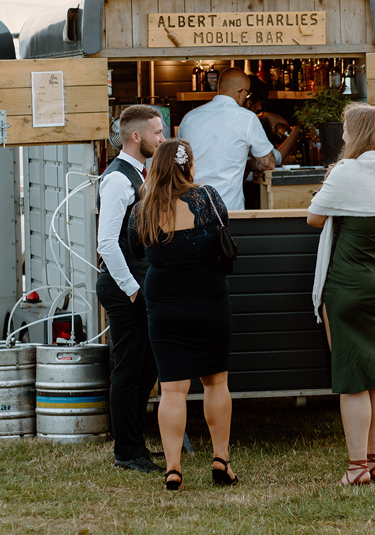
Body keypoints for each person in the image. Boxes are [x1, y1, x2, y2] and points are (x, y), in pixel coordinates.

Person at [306, 102, 375, 486]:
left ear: (356, 133)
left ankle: (356, 469)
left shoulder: (346, 172)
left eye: (345, 129)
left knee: (354, 377)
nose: (343, 136)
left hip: (349, 284)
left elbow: (314, 217)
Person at [129, 138, 238, 491]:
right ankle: (221, 459)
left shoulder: (142, 208)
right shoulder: (207, 198)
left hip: (164, 303)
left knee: (172, 389)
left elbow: (133, 247)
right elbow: (224, 231)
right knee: (216, 382)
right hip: (209, 297)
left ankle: (173, 468)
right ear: (188, 165)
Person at [95, 105, 164, 473]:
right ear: (136, 137)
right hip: (125, 288)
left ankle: (137, 444)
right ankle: (127, 451)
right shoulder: (119, 179)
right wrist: (133, 290)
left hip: (137, 286)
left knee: (145, 370)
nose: (162, 138)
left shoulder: (139, 173)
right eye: (157, 132)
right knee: (128, 370)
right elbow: (106, 243)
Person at [177, 67, 300, 210]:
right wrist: (244, 162)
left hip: (191, 209)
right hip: (227, 209)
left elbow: (179, 162)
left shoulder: (189, 118)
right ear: (242, 93)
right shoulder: (246, 118)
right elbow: (268, 162)